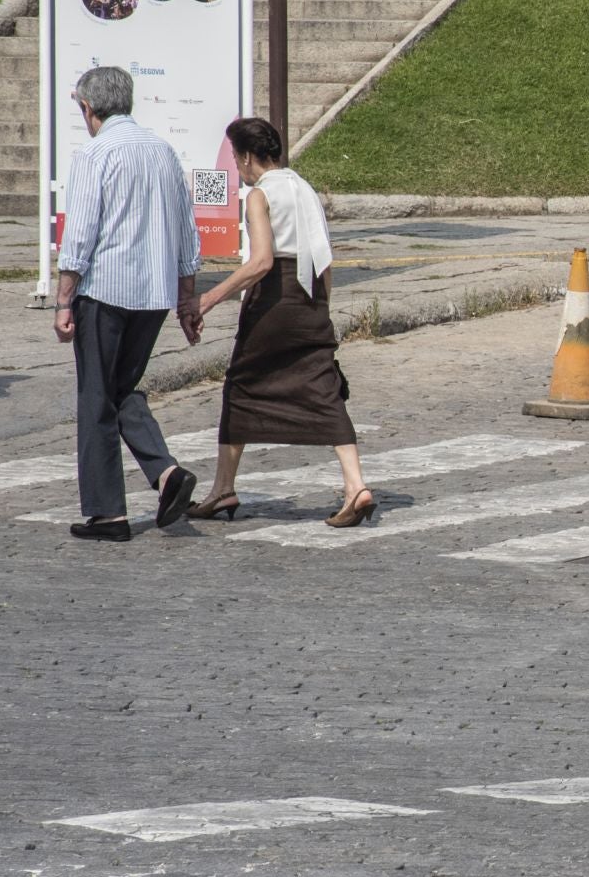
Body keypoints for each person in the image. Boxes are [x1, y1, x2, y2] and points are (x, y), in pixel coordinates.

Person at [188, 118, 375, 528]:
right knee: (323, 387)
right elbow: (325, 260)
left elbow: (261, 262)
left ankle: (223, 488)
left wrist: (209, 298)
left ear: (248, 156)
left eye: (238, 159)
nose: (238, 167)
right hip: (310, 298)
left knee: (241, 386)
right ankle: (356, 486)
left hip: (273, 300)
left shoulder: (260, 194)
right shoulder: (304, 188)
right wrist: (320, 311)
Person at [52, 66, 202, 543]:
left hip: (106, 291)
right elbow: (186, 231)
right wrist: (186, 297)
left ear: (87, 109)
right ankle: (165, 474)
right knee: (122, 388)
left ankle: (107, 513)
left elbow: (80, 235)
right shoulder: (162, 152)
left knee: (97, 397)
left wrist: (63, 298)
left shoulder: (94, 153)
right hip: (153, 295)